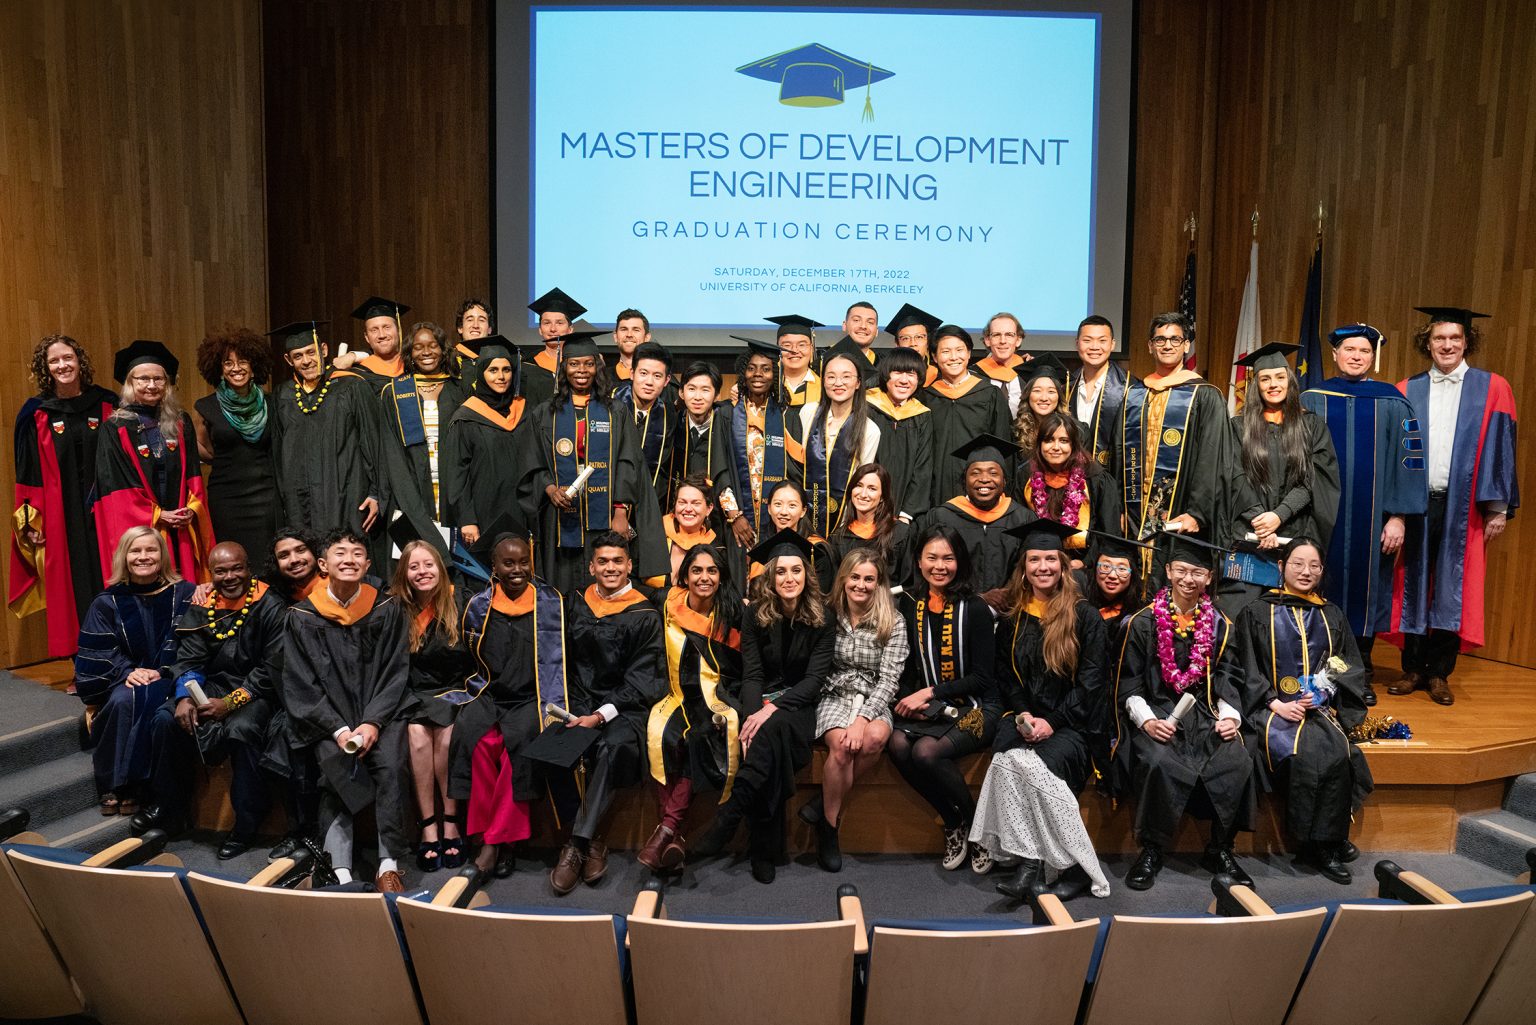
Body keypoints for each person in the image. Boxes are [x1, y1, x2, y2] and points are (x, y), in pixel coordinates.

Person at [973, 520, 1111, 902]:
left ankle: (1078, 868)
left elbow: (1091, 683)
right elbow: (1007, 678)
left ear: (1064, 566)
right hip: (1028, 720)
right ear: (1023, 567)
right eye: (1035, 559)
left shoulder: (1086, 618)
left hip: (1074, 726)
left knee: (1031, 766)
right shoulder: (1014, 619)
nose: (1043, 567)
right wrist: (1023, 716)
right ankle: (1030, 865)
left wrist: (1053, 721)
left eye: (1051, 558)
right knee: (1006, 763)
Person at [1389, 306, 1518, 706]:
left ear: (1467, 342)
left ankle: (1439, 673)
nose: (1447, 345)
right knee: (1412, 582)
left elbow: (1502, 448)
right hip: (1416, 502)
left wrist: (1497, 506)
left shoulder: (1492, 386)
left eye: (1454, 338)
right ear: (1427, 343)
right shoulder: (1407, 389)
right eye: (1439, 338)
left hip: (1465, 505)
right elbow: (1396, 455)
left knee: (1452, 585)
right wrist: (1395, 509)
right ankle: (1412, 668)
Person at [691, 529, 836, 884]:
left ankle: (739, 825)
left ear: (807, 574)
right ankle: (762, 844)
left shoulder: (824, 617)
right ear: (770, 577)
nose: (789, 578)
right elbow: (753, 674)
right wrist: (751, 715)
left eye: (796, 570)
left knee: (771, 731)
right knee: (764, 738)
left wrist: (769, 711)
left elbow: (813, 681)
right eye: (781, 571)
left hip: (799, 704)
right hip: (759, 698)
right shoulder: (754, 614)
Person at [1113, 534, 1256, 891]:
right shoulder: (1142, 623)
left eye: (1197, 572)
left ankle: (1220, 848)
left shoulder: (1221, 625)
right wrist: (1146, 720)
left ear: (1209, 577)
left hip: (1206, 713)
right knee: (1159, 761)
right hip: (1158, 713)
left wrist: (1229, 716)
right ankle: (1152, 850)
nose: (1188, 579)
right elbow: (1128, 683)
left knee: (1235, 759)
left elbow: (1228, 676)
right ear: (1168, 572)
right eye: (1181, 571)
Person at [1300, 323, 1427, 705]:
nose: (1357, 356)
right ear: (1336, 354)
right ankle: (1317, 672)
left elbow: (1409, 463)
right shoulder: (1311, 399)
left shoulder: (1393, 402)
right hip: (1321, 518)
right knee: (1318, 585)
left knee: (1367, 593)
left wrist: (1399, 517)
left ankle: (1359, 673)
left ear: (1373, 357)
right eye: (1349, 349)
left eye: (1364, 351)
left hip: (1375, 521)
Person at [1235, 538, 1373, 883]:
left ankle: (1325, 842)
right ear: (1281, 567)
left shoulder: (1331, 613)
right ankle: (1320, 843)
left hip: (1316, 709)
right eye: (1298, 563)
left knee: (1338, 752)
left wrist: (1325, 689)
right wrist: (1274, 702)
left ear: (1322, 571)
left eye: (1314, 565)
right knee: (1304, 752)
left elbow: (1345, 661)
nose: (1306, 571)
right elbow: (1244, 666)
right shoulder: (1257, 611)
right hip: (1271, 710)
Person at [282, 528, 411, 891]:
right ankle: (338, 868)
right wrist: (338, 729)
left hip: (380, 714)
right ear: (323, 564)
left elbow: (395, 671)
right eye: (340, 554)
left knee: (390, 765)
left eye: (357, 554)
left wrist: (372, 722)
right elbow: (300, 682)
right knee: (336, 769)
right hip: (327, 719)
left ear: (368, 563)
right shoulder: (302, 616)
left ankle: (388, 863)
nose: (349, 560)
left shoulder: (386, 608)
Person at [140, 541, 284, 858]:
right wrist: (185, 695)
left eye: (237, 568)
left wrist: (230, 703)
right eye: (220, 571)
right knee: (165, 720)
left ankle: (247, 824)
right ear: (210, 573)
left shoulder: (269, 604)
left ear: (249, 568)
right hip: (212, 684)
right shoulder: (204, 603)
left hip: (256, 690)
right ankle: (170, 810)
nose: (230, 576)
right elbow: (188, 657)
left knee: (242, 729)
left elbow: (271, 667)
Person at [447, 536, 571, 877]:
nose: (517, 570)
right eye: (508, 563)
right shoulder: (479, 605)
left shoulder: (551, 602)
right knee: (479, 741)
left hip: (534, 697)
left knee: (518, 748)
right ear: (495, 566)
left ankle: (494, 843)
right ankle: (496, 839)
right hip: (490, 694)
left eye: (523, 562)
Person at [551, 532, 666, 893]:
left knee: (612, 748)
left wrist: (600, 715)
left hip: (624, 707)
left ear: (630, 565)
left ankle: (577, 843)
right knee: (553, 747)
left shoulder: (645, 612)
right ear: (591, 566)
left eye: (618, 561)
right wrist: (572, 710)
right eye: (603, 561)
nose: (610, 568)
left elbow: (645, 678)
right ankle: (596, 837)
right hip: (577, 702)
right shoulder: (575, 603)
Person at [888, 524, 1001, 872]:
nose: (940, 565)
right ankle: (953, 823)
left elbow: (983, 678)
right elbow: (905, 669)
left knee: (925, 752)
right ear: (919, 562)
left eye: (948, 558)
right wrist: (915, 700)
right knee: (896, 743)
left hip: (980, 705)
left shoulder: (976, 608)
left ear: (960, 562)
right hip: (933, 707)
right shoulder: (909, 605)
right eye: (932, 557)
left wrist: (931, 692)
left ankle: (979, 833)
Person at [520, 332, 665, 593]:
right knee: (561, 584)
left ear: (597, 367)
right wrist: (551, 489)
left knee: (602, 579)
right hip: (559, 517)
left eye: (588, 364)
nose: (581, 371)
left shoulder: (615, 411)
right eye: (574, 364)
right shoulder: (545, 412)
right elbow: (533, 463)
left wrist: (620, 512)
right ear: (564, 368)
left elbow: (627, 462)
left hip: (605, 513)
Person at [74, 526, 195, 817]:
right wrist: (127, 670)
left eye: (151, 550)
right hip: (125, 678)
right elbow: (97, 654)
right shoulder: (107, 602)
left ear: (162, 555)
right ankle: (115, 782)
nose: (143, 556)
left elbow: (195, 642)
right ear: (124, 557)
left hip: (171, 677)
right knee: (121, 700)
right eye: (135, 550)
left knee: (141, 699)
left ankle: (131, 784)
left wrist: (163, 671)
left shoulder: (186, 593)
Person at [11, 334, 118, 657]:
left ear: (79, 361)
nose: (62, 365)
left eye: (67, 358)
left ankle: (122, 654)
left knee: (111, 573)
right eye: (54, 361)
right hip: (62, 512)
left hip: (106, 506)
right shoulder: (36, 413)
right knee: (72, 584)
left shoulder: (107, 403)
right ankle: (85, 662)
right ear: (45, 369)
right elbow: (28, 473)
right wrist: (31, 519)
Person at [640, 544, 743, 871]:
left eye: (712, 570)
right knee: (661, 732)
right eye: (697, 570)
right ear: (684, 575)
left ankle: (666, 829)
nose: (704, 577)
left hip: (715, 697)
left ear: (721, 575)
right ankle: (675, 836)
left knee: (699, 736)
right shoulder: (666, 602)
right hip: (672, 694)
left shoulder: (733, 613)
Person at [802, 550, 906, 872]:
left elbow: (890, 681)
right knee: (842, 748)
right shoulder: (828, 614)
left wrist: (863, 719)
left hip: (875, 695)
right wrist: (851, 722)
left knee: (874, 739)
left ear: (879, 583)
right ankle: (830, 829)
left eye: (869, 579)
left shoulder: (893, 620)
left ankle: (821, 804)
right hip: (835, 693)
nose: (861, 585)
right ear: (844, 578)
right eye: (855, 577)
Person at [1220, 342, 1341, 618]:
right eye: (1265, 379)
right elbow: (1233, 476)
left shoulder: (1311, 426)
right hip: (1248, 533)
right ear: (1256, 385)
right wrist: (1261, 521)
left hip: (1295, 533)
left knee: (1289, 617)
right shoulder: (1238, 427)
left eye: (1279, 377)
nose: (1273, 384)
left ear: (1290, 380)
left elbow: (1315, 480)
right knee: (1242, 613)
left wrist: (1279, 516)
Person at [1113, 313, 1232, 569]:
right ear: (1150, 346)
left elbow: (1212, 459)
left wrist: (1197, 512)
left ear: (1187, 345)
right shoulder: (1135, 395)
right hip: (1135, 509)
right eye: (1160, 339)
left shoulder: (1206, 396)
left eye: (1175, 339)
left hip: (1181, 510)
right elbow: (1119, 453)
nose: (1167, 345)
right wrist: (1120, 506)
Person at [95, 340, 214, 582]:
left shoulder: (181, 422)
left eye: (159, 379)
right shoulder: (115, 426)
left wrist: (191, 509)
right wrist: (157, 515)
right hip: (143, 524)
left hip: (179, 520)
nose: (152, 385)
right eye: (143, 379)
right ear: (130, 383)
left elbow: (193, 474)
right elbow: (116, 486)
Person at [267, 320, 385, 563]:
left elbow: (373, 442)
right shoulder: (283, 395)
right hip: (300, 499)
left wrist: (376, 492)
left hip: (346, 493)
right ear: (289, 361)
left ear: (324, 350)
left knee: (347, 555)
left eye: (311, 352)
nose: (307, 360)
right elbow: (278, 452)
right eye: (298, 356)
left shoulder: (351, 386)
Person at [390, 541, 470, 874]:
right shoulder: (396, 609)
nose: (422, 572)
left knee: (449, 739)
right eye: (414, 567)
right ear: (404, 574)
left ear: (440, 567)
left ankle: (450, 823)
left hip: (455, 691)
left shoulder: (461, 602)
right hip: (413, 693)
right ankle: (428, 826)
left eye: (428, 565)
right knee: (418, 739)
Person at [259, 525, 325, 859]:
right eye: (284, 555)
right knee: (284, 737)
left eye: (300, 550)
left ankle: (314, 834)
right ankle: (301, 831)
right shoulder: (274, 598)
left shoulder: (336, 591)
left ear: (316, 554)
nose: (294, 559)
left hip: (335, 697)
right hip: (292, 698)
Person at [191, 327, 280, 564]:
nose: (236, 368)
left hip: (266, 497)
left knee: (266, 560)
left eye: (243, 361)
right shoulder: (205, 406)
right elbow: (205, 449)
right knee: (232, 561)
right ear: (218, 369)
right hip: (227, 499)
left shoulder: (274, 403)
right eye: (227, 363)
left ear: (254, 367)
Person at [380, 321, 469, 555]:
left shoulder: (459, 389)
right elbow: (390, 449)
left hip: (452, 484)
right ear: (410, 353)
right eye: (418, 347)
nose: (426, 352)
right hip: (412, 484)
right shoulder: (395, 392)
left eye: (433, 345)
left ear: (443, 350)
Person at [440, 335, 531, 558]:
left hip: (522, 510)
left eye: (506, 370)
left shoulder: (525, 412)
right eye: (493, 370)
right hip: (483, 513)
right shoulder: (466, 417)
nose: (501, 377)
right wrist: (467, 519)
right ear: (481, 373)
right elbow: (457, 475)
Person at [720, 335, 804, 569]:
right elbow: (719, 469)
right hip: (736, 519)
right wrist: (735, 515)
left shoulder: (786, 415)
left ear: (775, 375)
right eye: (752, 368)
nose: (758, 374)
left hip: (776, 519)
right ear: (743, 374)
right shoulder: (727, 415)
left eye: (766, 369)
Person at [926, 434, 1031, 608]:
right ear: (964, 481)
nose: (984, 479)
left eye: (993, 473)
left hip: (1010, 614)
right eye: (975, 473)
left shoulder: (1022, 519)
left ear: (1004, 481)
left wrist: (1010, 593)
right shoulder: (942, 517)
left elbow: (1028, 568)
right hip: (955, 613)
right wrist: (978, 599)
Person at [1018, 412, 1122, 567]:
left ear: (1073, 445)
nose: (1056, 447)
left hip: (1083, 566)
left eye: (1064, 441)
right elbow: (1018, 526)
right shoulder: (1026, 475)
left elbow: (1108, 531)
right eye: (1048, 440)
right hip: (1038, 563)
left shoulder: (1095, 477)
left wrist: (1086, 562)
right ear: (1039, 444)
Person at [923, 325, 1012, 506]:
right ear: (934, 357)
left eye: (959, 350)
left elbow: (1003, 446)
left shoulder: (990, 394)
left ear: (969, 353)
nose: (954, 357)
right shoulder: (926, 398)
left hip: (980, 490)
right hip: (934, 490)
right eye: (946, 351)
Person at [800, 352, 881, 540]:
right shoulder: (808, 413)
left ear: (858, 383)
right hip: (804, 518)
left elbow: (862, 481)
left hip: (845, 523)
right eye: (831, 376)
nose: (838, 383)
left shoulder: (869, 430)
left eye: (846, 376)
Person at [866, 345, 935, 522]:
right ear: (886, 374)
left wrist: (906, 514)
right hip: (865, 508)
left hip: (904, 515)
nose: (904, 380)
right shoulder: (867, 406)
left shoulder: (921, 415)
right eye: (897, 372)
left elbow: (923, 467)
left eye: (911, 374)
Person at [827, 463, 913, 590]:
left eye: (872, 488)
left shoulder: (900, 533)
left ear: (883, 496)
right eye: (859, 486)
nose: (863, 494)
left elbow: (908, 584)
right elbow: (835, 588)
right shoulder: (838, 538)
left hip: (889, 607)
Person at [615, 341, 680, 506]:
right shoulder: (608, 406)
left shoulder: (669, 416)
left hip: (648, 506)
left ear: (667, 381)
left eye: (657, 376)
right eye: (643, 373)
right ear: (632, 373)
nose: (649, 382)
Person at [746, 480, 837, 592]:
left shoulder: (817, 550)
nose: (784, 511)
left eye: (792, 505)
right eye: (778, 504)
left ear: (803, 511)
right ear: (769, 509)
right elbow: (754, 595)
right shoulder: (761, 551)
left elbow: (822, 596)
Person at [1067, 315, 1129, 468]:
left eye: (1102, 341)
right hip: (1070, 476)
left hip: (1112, 475)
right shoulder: (1066, 386)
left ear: (1112, 344)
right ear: (1077, 344)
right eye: (1087, 340)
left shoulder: (1130, 388)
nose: (1094, 347)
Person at [522, 287, 588, 409]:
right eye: (546, 323)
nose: (553, 329)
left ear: (570, 329)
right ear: (540, 329)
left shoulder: (584, 365)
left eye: (559, 323)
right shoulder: (527, 364)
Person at [675, 361, 732, 492]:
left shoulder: (726, 427)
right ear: (681, 392)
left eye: (705, 390)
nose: (697, 397)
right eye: (691, 389)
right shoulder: (674, 425)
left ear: (717, 395)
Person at [665, 475, 729, 585]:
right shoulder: (654, 535)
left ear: (709, 509)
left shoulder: (717, 549)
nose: (688, 509)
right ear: (675, 505)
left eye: (696, 503)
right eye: (682, 502)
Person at [1086, 533, 1148, 637]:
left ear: (1132, 575)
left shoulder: (1137, 618)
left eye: (1122, 569)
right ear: (1095, 568)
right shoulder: (1080, 603)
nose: (1112, 575)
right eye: (1105, 566)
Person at [348, 296, 411, 392]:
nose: (382, 335)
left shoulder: (412, 364)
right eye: (374, 330)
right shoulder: (358, 374)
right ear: (366, 337)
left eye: (387, 327)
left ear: (398, 330)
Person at [1011, 354, 1070, 457]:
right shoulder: (1015, 432)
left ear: (1059, 396)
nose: (1044, 398)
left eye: (1051, 391)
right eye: (1037, 391)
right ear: (1028, 394)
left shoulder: (1075, 430)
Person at [973, 312, 1027, 417]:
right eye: (996, 335)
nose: (1003, 341)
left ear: (1018, 340)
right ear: (987, 340)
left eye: (1009, 335)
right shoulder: (974, 377)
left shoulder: (1029, 375)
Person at [820, 301, 881, 387]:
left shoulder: (883, 365)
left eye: (870, 322)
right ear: (844, 325)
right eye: (856, 320)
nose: (863, 326)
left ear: (877, 331)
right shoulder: (823, 358)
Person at [769, 314, 823, 408]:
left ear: (812, 348)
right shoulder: (767, 383)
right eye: (786, 345)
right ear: (777, 348)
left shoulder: (824, 386)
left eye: (802, 345)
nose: (794, 350)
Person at [885, 302, 941, 387]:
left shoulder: (940, 375)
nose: (913, 343)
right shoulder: (886, 375)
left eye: (919, 337)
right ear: (897, 344)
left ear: (928, 342)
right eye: (906, 338)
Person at [609, 308, 652, 384]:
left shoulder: (659, 380)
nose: (629, 335)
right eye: (624, 329)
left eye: (636, 330)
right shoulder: (603, 378)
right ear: (615, 337)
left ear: (647, 337)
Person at [453, 297, 494, 362]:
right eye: (470, 320)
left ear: (489, 329)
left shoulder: (498, 360)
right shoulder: (448, 360)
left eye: (481, 320)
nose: (476, 325)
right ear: (460, 328)